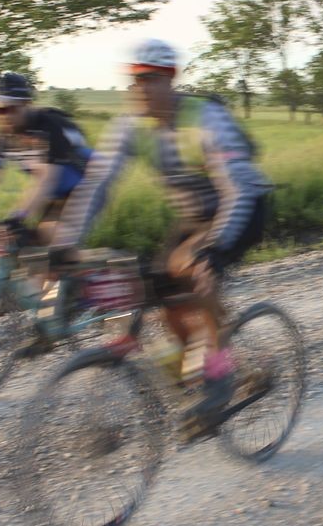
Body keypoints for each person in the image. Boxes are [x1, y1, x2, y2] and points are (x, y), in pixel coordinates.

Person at [53, 39, 274, 441]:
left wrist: (216, 248)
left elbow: (237, 190)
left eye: (148, 79)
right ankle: (204, 364)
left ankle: (220, 373)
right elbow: (98, 185)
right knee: (162, 298)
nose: (138, 88)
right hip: (193, 216)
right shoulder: (130, 126)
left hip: (244, 205)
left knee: (191, 269)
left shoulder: (205, 119)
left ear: (170, 80)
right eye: (133, 80)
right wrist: (66, 242)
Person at [0, 72, 92, 244]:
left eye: (10, 108)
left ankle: (78, 263)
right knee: (19, 237)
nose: (3, 116)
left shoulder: (51, 126)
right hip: (56, 190)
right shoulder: (4, 134)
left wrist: (18, 217)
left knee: (54, 237)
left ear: (27, 104)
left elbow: (47, 179)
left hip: (87, 184)